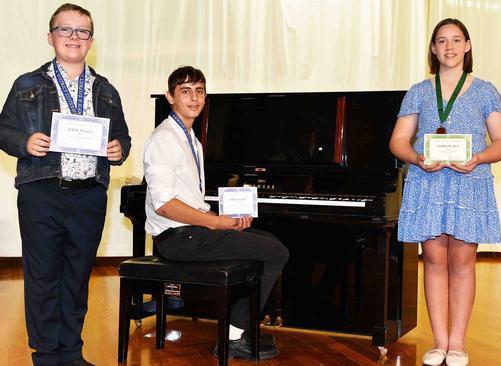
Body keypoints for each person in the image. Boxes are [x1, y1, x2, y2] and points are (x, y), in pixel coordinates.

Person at [0, 3, 131, 365]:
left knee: (76, 278)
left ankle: (71, 352)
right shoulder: (27, 84)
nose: (74, 37)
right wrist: (24, 143)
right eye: (65, 30)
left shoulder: (106, 90)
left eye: (82, 31)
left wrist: (120, 149)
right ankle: (46, 355)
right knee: (42, 278)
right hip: (41, 191)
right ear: (50, 37)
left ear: (91, 40)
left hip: (89, 194)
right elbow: (4, 130)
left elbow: (122, 137)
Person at [389, 18, 501, 366]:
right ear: (433, 49)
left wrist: (477, 158)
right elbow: (398, 140)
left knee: (461, 262)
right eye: (442, 41)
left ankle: (458, 342)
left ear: (468, 46)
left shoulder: (486, 90)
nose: (449, 46)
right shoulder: (419, 91)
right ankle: (439, 342)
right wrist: (416, 158)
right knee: (434, 260)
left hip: (468, 182)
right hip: (428, 183)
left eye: (457, 40)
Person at [143, 66, 289, 360]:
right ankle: (233, 336)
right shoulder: (163, 139)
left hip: (190, 232)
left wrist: (230, 219)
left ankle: (238, 329)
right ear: (170, 97)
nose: (194, 99)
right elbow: (165, 204)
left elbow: (191, 199)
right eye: (185, 92)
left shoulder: (190, 139)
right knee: (276, 252)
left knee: (265, 240)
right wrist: (215, 222)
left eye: (199, 91)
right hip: (177, 238)